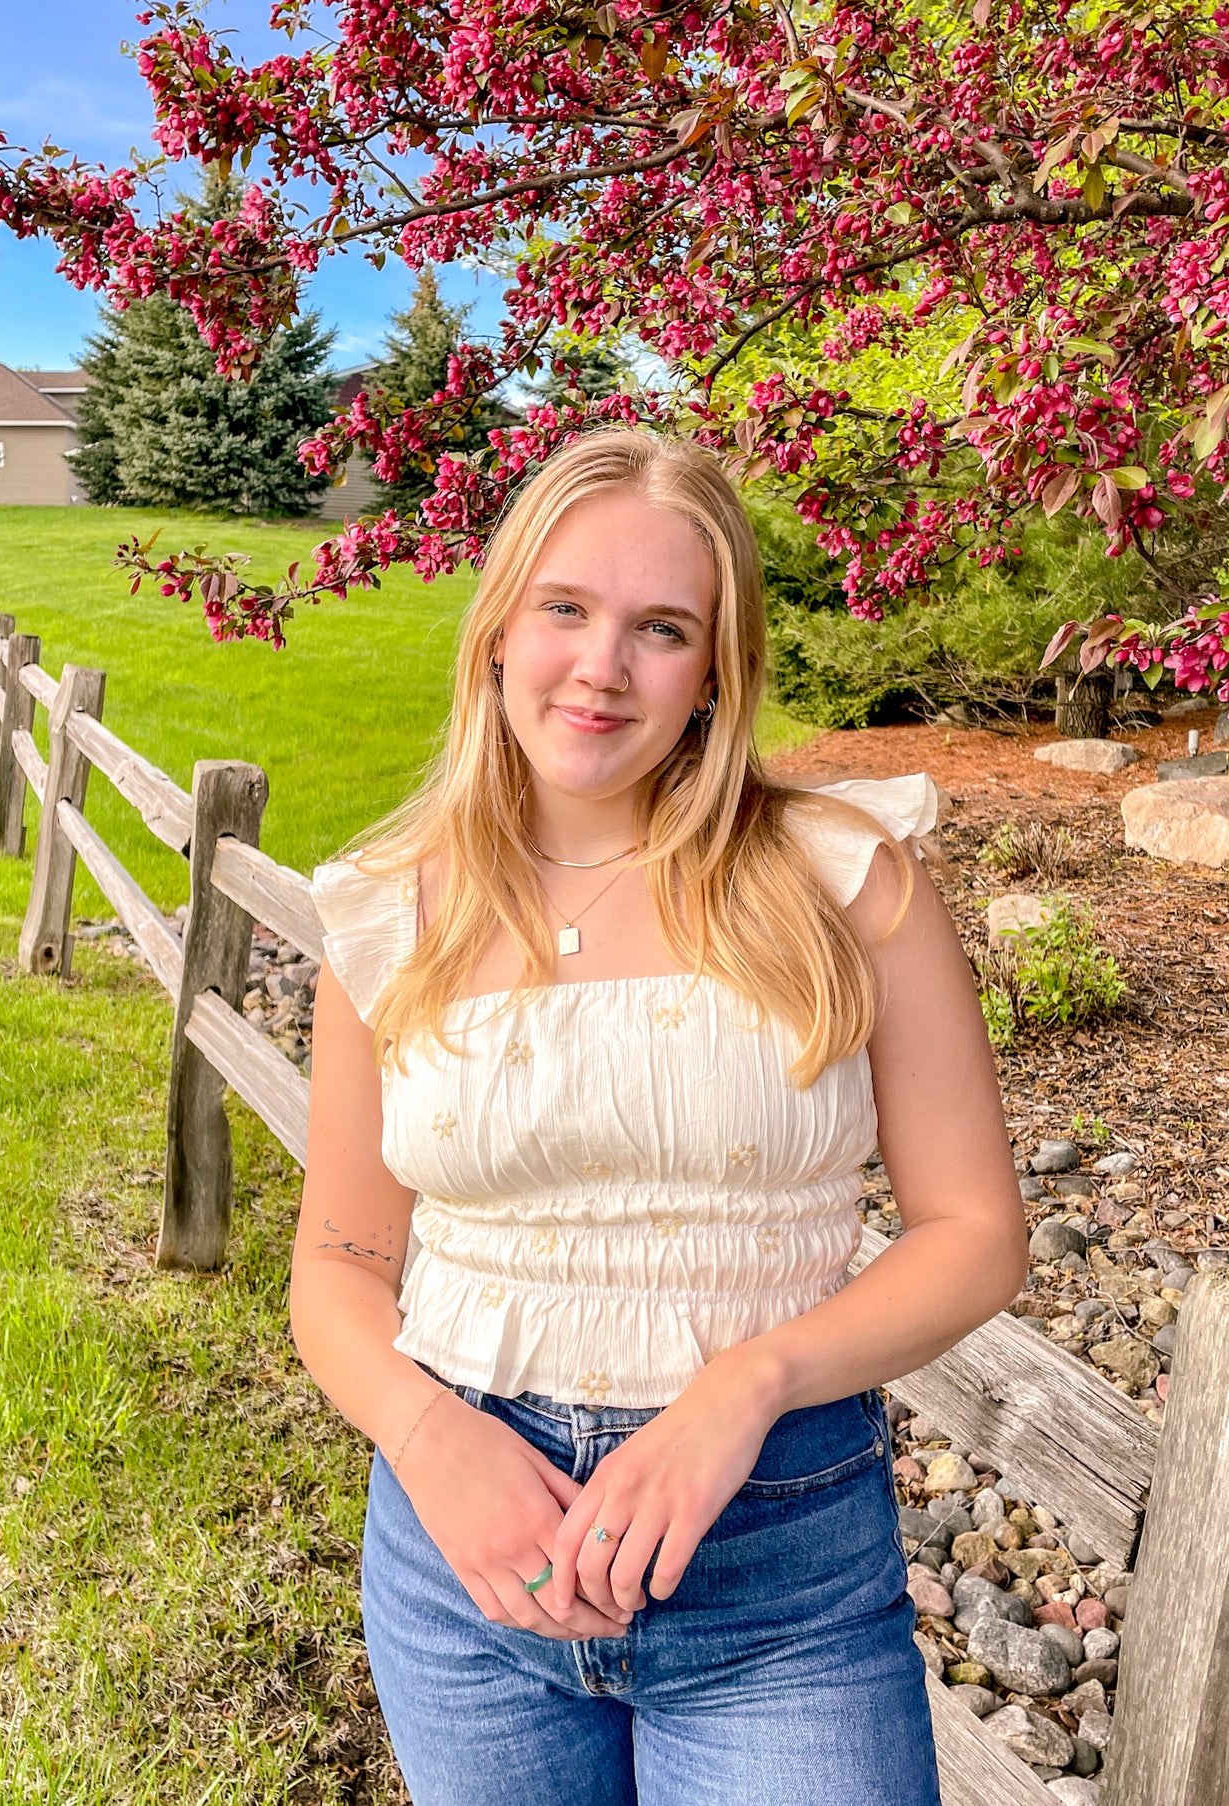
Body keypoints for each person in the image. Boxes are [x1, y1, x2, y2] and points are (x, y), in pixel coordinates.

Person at [293, 426, 1028, 1806]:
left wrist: (743, 1386)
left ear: (715, 670)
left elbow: (975, 1230)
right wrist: (425, 1433)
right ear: (500, 623)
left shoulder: (841, 882)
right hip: (469, 1563)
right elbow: (337, 1259)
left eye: (662, 627)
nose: (601, 665)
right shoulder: (389, 912)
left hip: (777, 1566)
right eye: (566, 607)